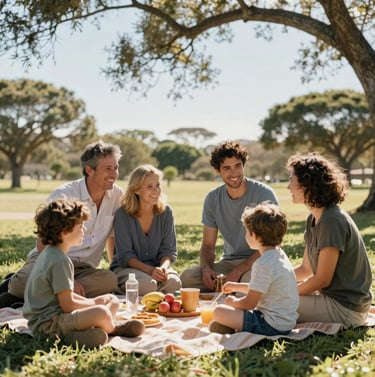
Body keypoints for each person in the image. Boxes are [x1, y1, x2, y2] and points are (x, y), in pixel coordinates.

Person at [0, 140, 124, 308]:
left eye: (116, 168)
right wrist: (69, 281)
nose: (114, 174)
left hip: (83, 268)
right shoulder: (64, 194)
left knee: (109, 281)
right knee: (19, 285)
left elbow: (112, 237)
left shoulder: (117, 196)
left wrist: (114, 265)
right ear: (89, 170)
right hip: (51, 260)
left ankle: (36, 297)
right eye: (108, 169)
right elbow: (43, 242)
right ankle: (27, 288)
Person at [23, 199, 145, 349]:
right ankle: (115, 329)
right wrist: (94, 304)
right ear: (64, 233)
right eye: (80, 226)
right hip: (48, 323)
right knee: (101, 311)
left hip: (54, 315)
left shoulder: (52, 253)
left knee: (111, 300)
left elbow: (65, 297)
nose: (84, 230)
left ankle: (89, 333)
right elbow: (68, 305)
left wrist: (96, 302)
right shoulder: (59, 261)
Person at [287, 152, 373, 328]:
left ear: (307, 185)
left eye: (291, 180)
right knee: (270, 299)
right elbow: (306, 269)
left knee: (272, 304)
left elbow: (322, 280)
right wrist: (277, 282)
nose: (288, 187)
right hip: (331, 300)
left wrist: (285, 293)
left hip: (345, 308)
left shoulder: (331, 220)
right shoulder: (314, 219)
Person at [180, 140, 279, 292]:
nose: (234, 173)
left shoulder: (263, 194)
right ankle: (228, 290)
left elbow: (271, 244)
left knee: (249, 282)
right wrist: (206, 269)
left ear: (243, 165)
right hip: (228, 263)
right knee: (187, 278)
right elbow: (208, 245)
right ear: (218, 171)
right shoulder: (212, 199)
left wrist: (238, 271)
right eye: (226, 168)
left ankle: (232, 293)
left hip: (259, 260)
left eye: (237, 166)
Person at [209, 202, 299, 335]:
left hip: (270, 324)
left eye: (246, 232)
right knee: (230, 311)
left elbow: (249, 303)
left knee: (219, 311)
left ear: (255, 236)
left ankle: (231, 324)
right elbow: (261, 289)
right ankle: (231, 325)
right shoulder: (278, 255)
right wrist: (236, 287)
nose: (245, 235)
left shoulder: (262, 263)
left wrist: (233, 302)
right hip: (286, 323)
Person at [110, 164, 181, 295]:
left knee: (173, 282)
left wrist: (163, 268)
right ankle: (130, 292)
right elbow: (126, 256)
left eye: (158, 185)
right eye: (149, 187)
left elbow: (169, 250)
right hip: (128, 269)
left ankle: (156, 301)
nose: (156, 190)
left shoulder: (166, 212)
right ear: (136, 190)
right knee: (147, 285)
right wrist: (150, 271)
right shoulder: (122, 215)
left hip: (157, 268)